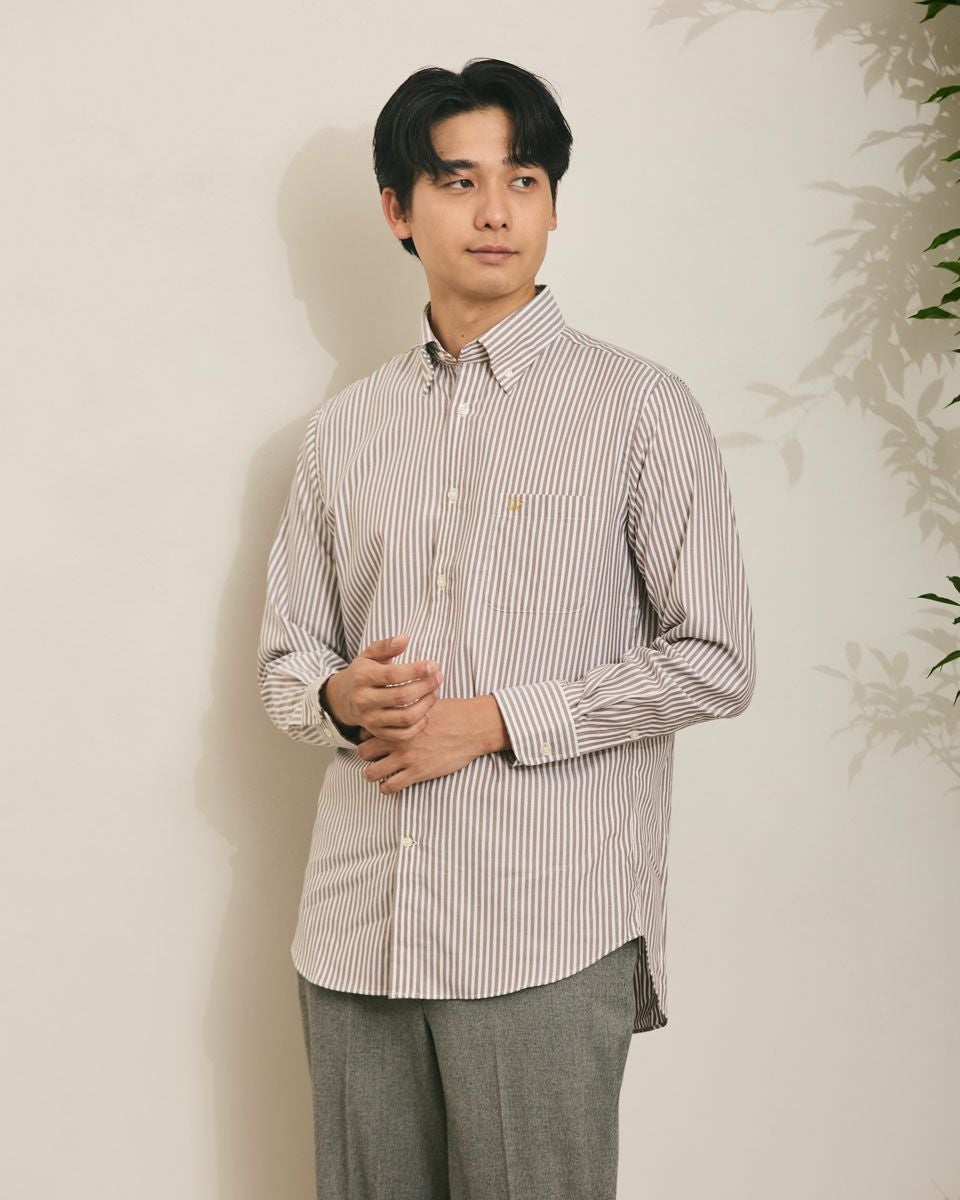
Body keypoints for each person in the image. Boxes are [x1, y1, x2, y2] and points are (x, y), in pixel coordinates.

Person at [257, 56, 756, 1200]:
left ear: (552, 205)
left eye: (523, 180)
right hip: (355, 933)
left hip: (542, 928)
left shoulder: (639, 408)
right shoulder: (344, 432)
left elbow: (717, 658)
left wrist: (491, 721)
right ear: (399, 209)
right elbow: (288, 659)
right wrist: (339, 698)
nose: (495, 211)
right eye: (460, 181)